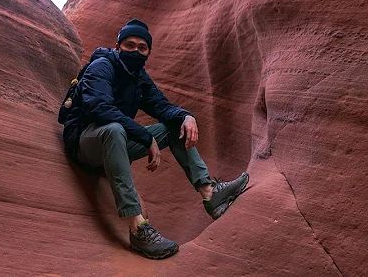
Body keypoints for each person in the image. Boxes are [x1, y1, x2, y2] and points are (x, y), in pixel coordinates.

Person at [62, 19, 249, 259]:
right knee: (114, 129)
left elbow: (161, 106)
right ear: (117, 46)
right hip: (83, 142)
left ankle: (209, 192)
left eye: (142, 47)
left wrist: (186, 116)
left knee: (174, 126)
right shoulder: (101, 66)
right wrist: (145, 137)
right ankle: (138, 227)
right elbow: (100, 108)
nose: (136, 51)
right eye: (130, 45)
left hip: (115, 142)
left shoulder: (139, 77)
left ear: (148, 51)